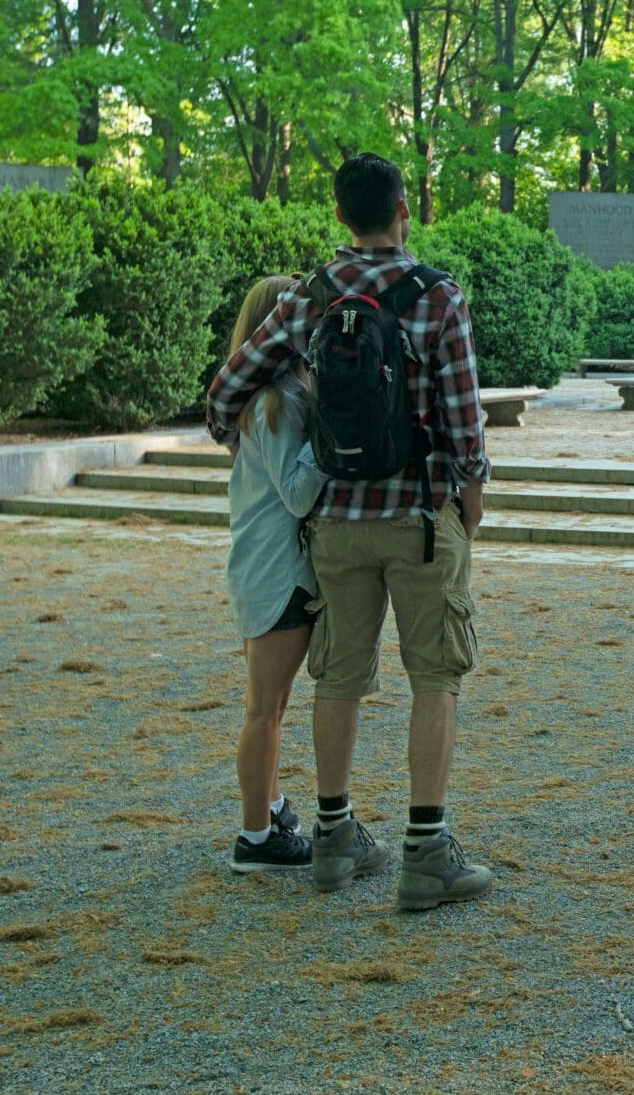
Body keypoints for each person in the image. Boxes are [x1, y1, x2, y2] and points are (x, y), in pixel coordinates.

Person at [207, 153, 492, 911]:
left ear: (339, 215)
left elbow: (226, 391)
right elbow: (465, 424)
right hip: (420, 517)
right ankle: (425, 853)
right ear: (405, 208)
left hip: (336, 523)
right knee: (435, 676)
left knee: (339, 681)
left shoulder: (308, 299)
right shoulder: (439, 298)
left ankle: (333, 841)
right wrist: (472, 495)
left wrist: (239, 441)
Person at [221, 275, 325, 873]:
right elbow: (299, 494)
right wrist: (332, 444)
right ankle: (256, 838)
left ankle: (270, 804)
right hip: (278, 574)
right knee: (264, 708)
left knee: (270, 705)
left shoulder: (256, 399)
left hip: (260, 569)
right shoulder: (279, 403)